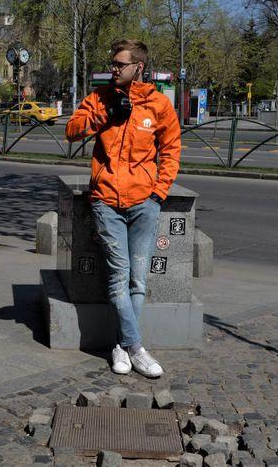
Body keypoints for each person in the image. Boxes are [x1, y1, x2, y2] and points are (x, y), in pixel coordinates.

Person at [65, 40, 181, 378]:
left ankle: (120, 344)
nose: (113, 69)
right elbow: (71, 132)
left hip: (144, 204)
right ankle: (137, 348)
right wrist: (104, 115)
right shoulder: (99, 98)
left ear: (138, 67)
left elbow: (171, 150)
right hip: (107, 202)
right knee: (118, 276)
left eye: (120, 64)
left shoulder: (158, 105)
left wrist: (158, 193)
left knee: (138, 280)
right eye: (112, 63)